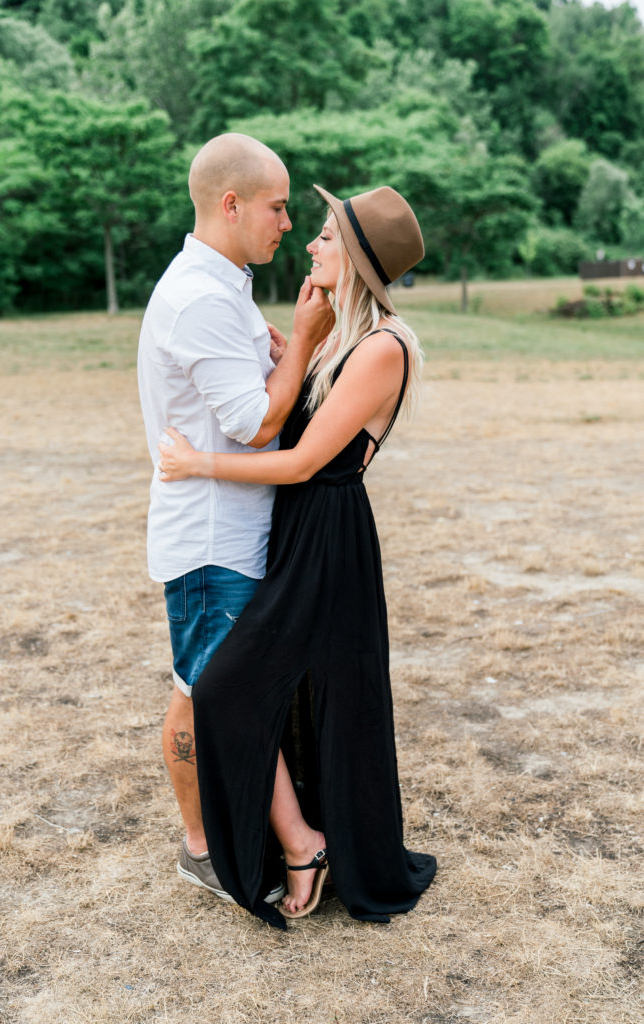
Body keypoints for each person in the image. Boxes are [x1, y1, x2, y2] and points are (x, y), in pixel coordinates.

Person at [158, 183, 437, 929]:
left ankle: (312, 847)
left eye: (321, 236)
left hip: (326, 540)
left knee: (234, 686)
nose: (307, 244)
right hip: (297, 532)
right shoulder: (346, 337)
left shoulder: (383, 347)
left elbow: (302, 461)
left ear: (353, 258)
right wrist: (297, 338)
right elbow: (281, 398)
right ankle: (307, 840)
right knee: (293, 692)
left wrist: (198, 466)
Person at [137, 134, 334, 906]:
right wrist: (307, 341)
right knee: (205, 690)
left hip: (236, 531)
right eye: (278, 206)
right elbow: (255, 423)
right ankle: (213, 847)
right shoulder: (201, 299)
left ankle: (243, 831)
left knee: (221, 688)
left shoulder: (225, 289)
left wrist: (290, 348)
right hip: (210, 540)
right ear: (231, 204)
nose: (287, 223)